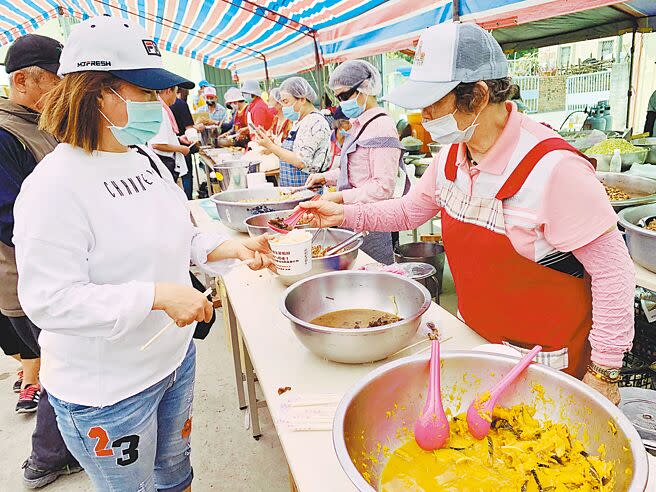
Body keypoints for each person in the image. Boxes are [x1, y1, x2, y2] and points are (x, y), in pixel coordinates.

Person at [300, 23, 634, 403]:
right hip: (478, 343)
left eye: (433, 104)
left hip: (547, 364)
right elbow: (409, 212)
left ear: (477, 95)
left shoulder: (554, 169)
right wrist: (339, 214)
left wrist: (604, 371)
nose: (424, 118)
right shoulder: (450, 158)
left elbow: (613, 272)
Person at [12, 16, 274, 492]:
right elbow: (49, 300)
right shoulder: (54, 186)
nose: (157, 104)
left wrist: (228, 247)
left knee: (176, 477)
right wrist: (155, 296)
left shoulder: (147, 160)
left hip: (173, 362)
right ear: (97, 95)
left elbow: (182, 234)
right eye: (145, 93)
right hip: (108, 392)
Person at [0, 33, 84, 488]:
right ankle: (47, 457)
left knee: (60, 363)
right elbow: (8, 220)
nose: (67, 91)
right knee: (61, 364)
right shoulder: (4, 134)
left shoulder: (42, 123)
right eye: (58, 80)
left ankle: (51, 453)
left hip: (58, 271)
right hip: (26, 280)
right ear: (23, 81)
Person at [305, 60, 408, 264]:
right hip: (351, 217)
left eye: (344, 95)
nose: (341, 102)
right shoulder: (361, 124)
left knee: (373, 277)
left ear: (366, 87)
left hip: (371, 223)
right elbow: (355, 172)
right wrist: (324, 178)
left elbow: (382, 188)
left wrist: (339, 198)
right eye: (338, 97)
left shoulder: (381, 126)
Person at [255, 77, 331, 187]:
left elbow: (301, 161)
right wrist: (273, 146)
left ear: (302, 99)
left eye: (286, 102)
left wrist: (272, 146)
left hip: (308, 189)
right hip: (293, 187)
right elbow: (294, 150)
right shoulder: (299, 122)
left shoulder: (315, 122)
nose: (283, 107)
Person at [151, 85, 194, 182]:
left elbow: (161, 137)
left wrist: (179, 139)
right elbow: (157, 144)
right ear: (168, 91)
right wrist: (181, 148)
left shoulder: (163, 109)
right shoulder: (160, 111)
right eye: (175, 93)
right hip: (165, 163)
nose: (176, 96)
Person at [170, 87, 199, 199]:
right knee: (186, 176)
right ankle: (188, 201)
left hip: (171, 148)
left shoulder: (161, 106)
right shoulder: (181, 104)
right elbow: (189, 129)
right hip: (183, 148)